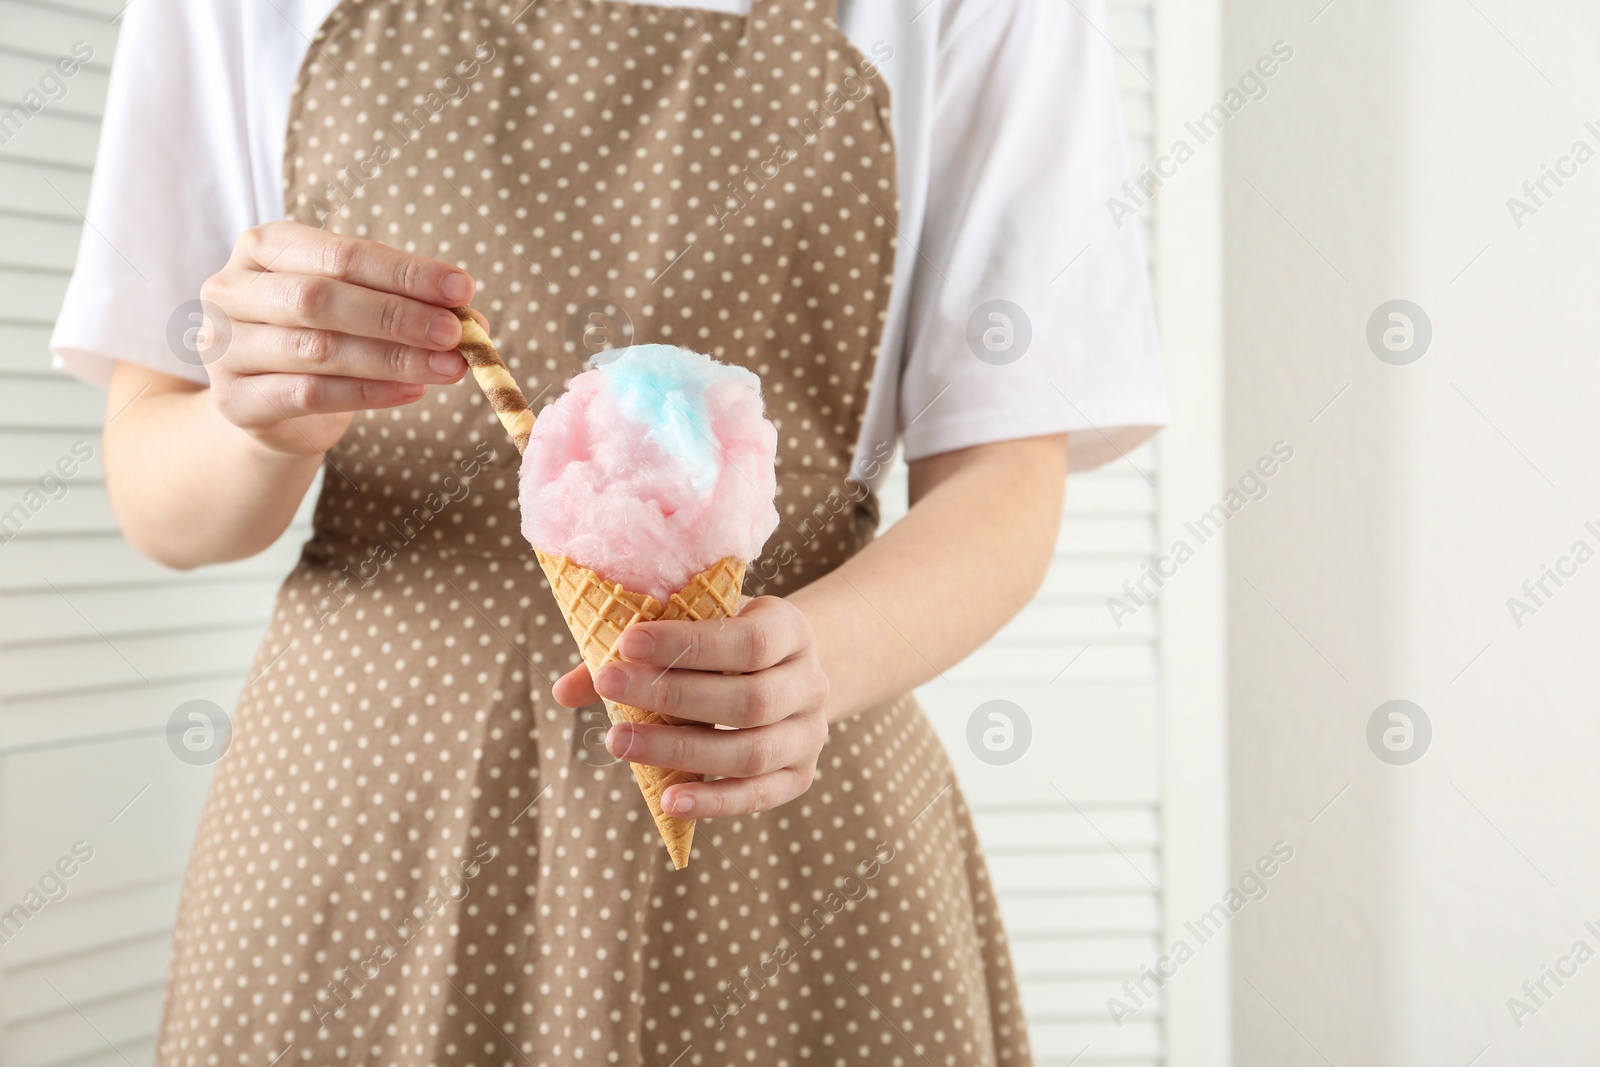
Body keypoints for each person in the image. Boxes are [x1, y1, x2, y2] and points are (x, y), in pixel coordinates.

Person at [53, 0, 1166, 1061]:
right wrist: (263, 417)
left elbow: (1006, 477)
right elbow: (161, 496)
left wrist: (815, 662)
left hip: (790, 830)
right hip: (363, 839)